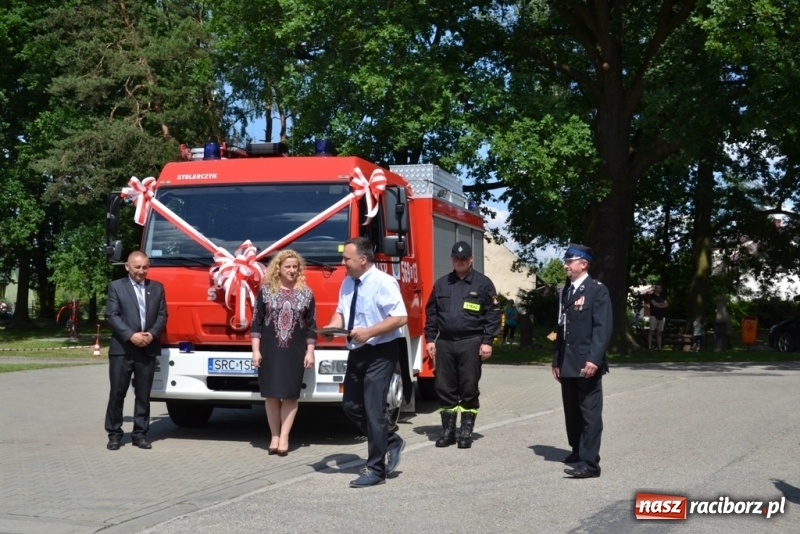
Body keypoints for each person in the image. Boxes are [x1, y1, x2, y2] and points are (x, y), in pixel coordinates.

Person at [322, 237, 408, 488]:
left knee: (374, 409)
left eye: (346, 258)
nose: (342, 263)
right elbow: (341, 311)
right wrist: (331, 327)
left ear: (362, 259)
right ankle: (390, 440)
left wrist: (370, 331)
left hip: (381, 351)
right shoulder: (348, 282)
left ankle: (376, 469)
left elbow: (400, 317)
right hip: (357, 351)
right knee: (350, 406)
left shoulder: (384, 282)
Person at [424, 241, 501, 449]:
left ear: (471, 259)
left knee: (468, 386)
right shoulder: (441, 284)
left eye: (464, 258)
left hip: (471, 341)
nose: (460, 261)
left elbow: (492, 315)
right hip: (446, 342)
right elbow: (431, 313)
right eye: (457, 259)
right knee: (444, 387)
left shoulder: (483, 284)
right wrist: (430, 339)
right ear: (452, 260)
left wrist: (487, 342)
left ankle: (465, 432)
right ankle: (448, 432)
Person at [552, 243, 611, 478]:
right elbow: (560, 327)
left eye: (570, 261)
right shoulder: (566, 291)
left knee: (590, 413)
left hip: (587, 362)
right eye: (566, 261)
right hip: (567, 361)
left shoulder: (597, 290)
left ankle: (590, 462)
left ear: (583, 264)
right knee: (572, 411)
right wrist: (556, 360)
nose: (566, 265)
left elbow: (602, 328)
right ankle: (577, 450)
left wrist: (594, 360)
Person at [250, 250, 316, 456]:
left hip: (294, 350)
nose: (292, 270)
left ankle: (285, 437)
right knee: (271, 395)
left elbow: (311, 326)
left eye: (295, 267)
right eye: (288, 267)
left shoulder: (306, 293)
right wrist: (255, 351)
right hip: (269, 349)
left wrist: (310, 352)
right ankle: (274, 436)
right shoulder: (266, 292)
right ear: (278, 268)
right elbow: (256, 324)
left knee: (289, 395)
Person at [104, 251, 167, 450]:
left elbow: (162, 314)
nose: (141, 271)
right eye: (137, 267)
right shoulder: (116, 287)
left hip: (147, 348)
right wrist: (131, 335)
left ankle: (140, 434)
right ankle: (114, 434)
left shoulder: (157, 288)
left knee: (143, 394)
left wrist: (152, 334)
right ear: (127, 266)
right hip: (123, 349)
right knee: (117, 393)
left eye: (145, 267)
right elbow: (112, 315)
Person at [647, 284, 668, 351]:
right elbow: (654, 304)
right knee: (651, 331)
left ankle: (659, 348)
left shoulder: (663, 296)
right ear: (655, 289)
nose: (658, 289)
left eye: (659, 288)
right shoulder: (652, 296)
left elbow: (666, 305)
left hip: (661, 316)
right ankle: (650, 347)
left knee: (660, 332)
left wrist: (659, 305)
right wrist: (661, 304)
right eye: (657, 288)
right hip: (654, 315)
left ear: (661, 289)